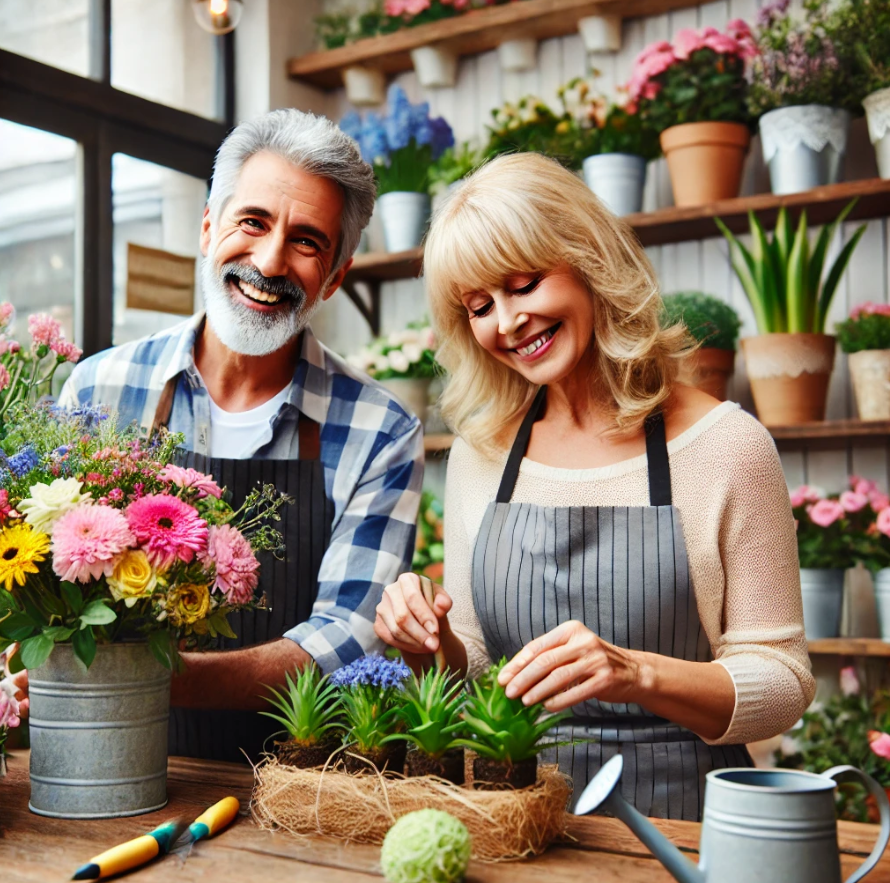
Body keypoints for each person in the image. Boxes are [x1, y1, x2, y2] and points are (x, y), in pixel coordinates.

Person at [374, 153, 814, 821]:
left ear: (590, 259)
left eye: (523, 284)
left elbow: (782, 681)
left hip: (682, 828)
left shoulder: (727, 445)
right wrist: (429, 643)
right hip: (512, 821)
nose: (507, 322)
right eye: (479, 306)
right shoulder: (482, 453)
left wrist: (637, 675)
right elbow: (469, 671)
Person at [38, 109, 424, 761]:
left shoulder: (380, 430)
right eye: (253, 222)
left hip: (299, 789)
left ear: (336, 275)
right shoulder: (97, 392)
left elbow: (349, 637)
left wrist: (143, 676)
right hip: (104, 760)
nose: (270, 260)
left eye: (307, 242)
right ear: (209, 227)